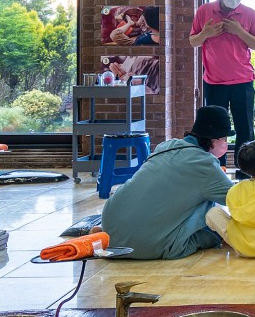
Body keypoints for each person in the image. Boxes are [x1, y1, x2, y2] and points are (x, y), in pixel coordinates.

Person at [100, 106, 235, 259]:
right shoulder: (204, 163)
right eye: (224, 139)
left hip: (109, 230)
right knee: (211, 224)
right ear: (215, 138)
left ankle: (109, 235)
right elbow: (238, 198)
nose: (225, 143)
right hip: (143, 245)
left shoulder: (165, 147)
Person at [189, 0, 255, 173]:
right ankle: (217, 169)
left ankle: (247, 171)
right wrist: (205, 33)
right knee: (214, 130)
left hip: (242, 81)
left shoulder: (249, 14)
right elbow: (193, 41)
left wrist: (239, 31)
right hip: (214, 82)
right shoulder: (204, 11)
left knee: (245, 128)